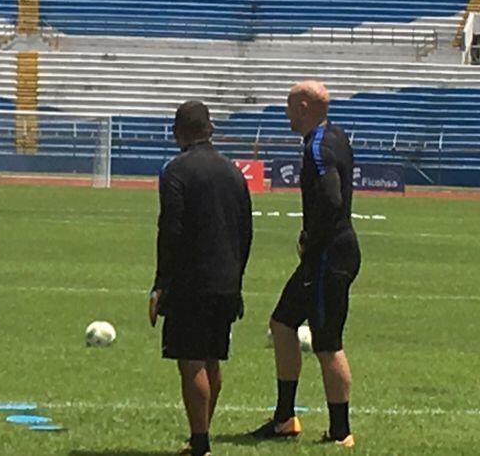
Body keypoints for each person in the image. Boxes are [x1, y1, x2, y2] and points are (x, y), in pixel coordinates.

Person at [251, 80, 360, 448]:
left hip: (329, 255)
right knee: (282, 323)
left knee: (328, 342)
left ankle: (340, 432)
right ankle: (284, 417)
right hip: (330, 251)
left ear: (302, 106)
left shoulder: (318, 146)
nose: (285, 113)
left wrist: (310, 241)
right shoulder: (336, 136)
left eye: (287, 106)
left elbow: (330, 200)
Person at [149, 101, 253, 456]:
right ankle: (201, 435)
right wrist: (236, 275)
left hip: (191, 281)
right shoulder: (234, 172)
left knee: (191, 361)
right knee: (212, 358)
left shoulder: (175, 170)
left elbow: (171, 230)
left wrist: (162, 283)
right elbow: (246, 230)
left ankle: (200, 443)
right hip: (226, 279)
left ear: (178, 132)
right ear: (210, 129)